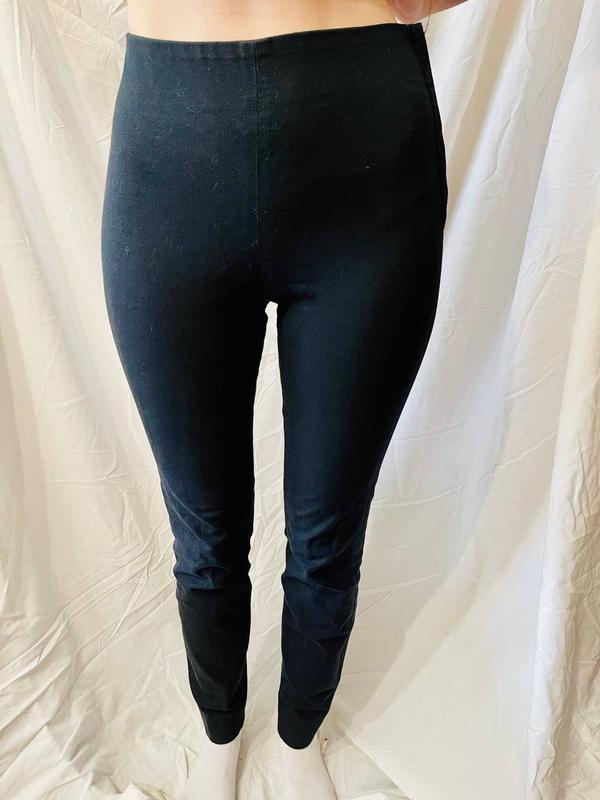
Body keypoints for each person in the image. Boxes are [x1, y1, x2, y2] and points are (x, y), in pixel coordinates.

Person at [100, 1, 467, 798]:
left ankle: (300, 735)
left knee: (328, 531)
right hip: (172, 152)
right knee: (204, 530)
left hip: (365, 151)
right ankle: (220, 730)